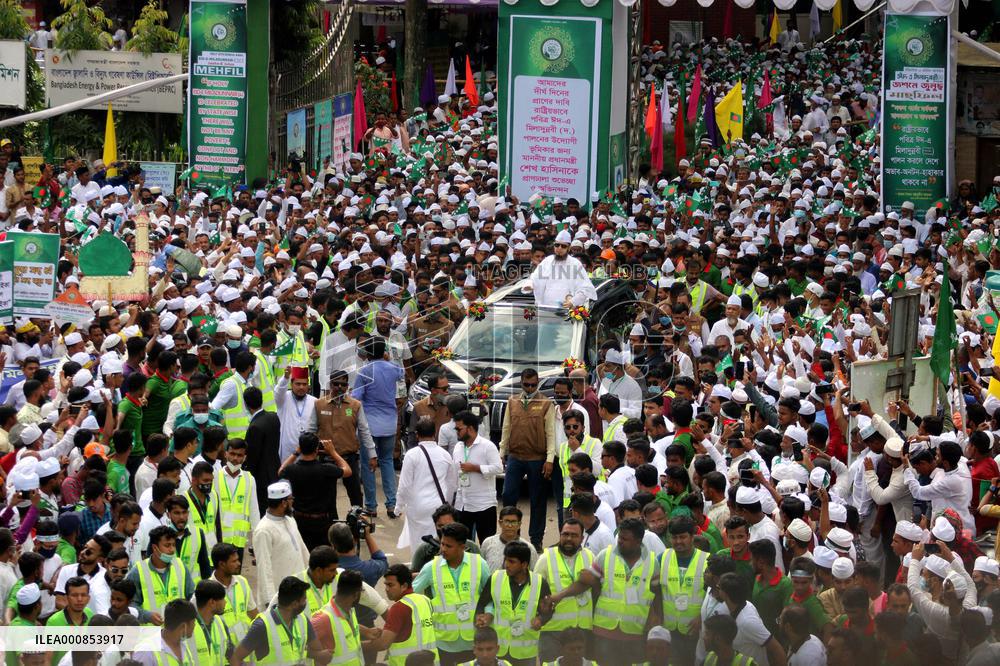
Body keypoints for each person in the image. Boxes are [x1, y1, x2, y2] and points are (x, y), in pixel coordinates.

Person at [546, 518, 659, 665]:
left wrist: (657, 619)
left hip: (635, 633)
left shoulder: (652, 562)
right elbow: (584, 583)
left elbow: (657, 594)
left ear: (638, 541)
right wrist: (559, 596)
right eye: (619, 537)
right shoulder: (605, 555)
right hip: (604, 633)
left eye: (625, 539)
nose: (620, 541)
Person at [412, 522, 491, 666]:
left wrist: (488, 614)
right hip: (443, 644)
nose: (442, 549)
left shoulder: (480, 564)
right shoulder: (431, 568)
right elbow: (411, 595)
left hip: (473, 642)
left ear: (462, 547)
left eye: (448, 546)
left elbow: (491, 596)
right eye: (442, 544)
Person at [499, 368, 555, 551]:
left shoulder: (546, 403)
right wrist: (502, 452)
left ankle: (536, 539)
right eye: (526, 384)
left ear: (537, 383)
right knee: (508, 494)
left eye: (533, 385)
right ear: (521, 383)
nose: (530, 388)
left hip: (536, 458)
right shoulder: (512, 401)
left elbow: (550, 433)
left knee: (537, 499)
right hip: (515, 456)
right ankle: (511, 535)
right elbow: (506, 427)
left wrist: (549, 459)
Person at [474, 541, 552, 666]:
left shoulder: (540, 583)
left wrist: (541, 619)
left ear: (524, 564)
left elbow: (549, 611)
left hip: (525, 653)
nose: (506, 565)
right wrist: (480, 617)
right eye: (505, 560)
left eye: (511, 561)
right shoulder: (495, 578)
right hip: (499, 650)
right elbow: (481, 604)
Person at [353, 335, 404, 517]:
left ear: (367, 353)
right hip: (390, 423)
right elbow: (401, 374)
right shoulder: (393, 369)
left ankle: (371, 506)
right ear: (384, 352)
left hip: (369, 425)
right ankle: (391, 504)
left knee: (368, 465)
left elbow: (356, 398)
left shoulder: (364, 372)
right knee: (387, 461)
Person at [279, 431, 351, 551]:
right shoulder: (326, 469)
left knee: (303, 553)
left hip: (300, 519)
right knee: (323, 556)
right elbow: (347, 470)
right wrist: (333, 452)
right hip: (322, 522)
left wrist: (296, 453)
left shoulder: (293, 469)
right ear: (317, 449)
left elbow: (281, 470)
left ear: (301, 448)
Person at [315, 369, 374, 516]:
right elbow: (311, 429)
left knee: (355, 494)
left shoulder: (355, 405)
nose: (340, 387)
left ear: (347, 386)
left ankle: (357, 523)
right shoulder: (319, 404)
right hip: (326, 458)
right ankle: (332, 526)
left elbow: (364, 431)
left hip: (349, 457)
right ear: (330, 385)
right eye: (336, 384)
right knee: (328, 496)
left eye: (343, 384)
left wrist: (372, 454)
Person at [534, 518, 593, 662]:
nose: (568, 539)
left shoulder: (590, 556)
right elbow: (534, 593)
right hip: (553, 631)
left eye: (574, 535)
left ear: (582, 538)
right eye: (565, 534)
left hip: (582, 630)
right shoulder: (546, 558)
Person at [232, 576, 327, 664]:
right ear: (294, 604)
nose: (306, 602)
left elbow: (318, 652)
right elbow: (236, 657)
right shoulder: (262, 626)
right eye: (304, 599)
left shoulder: (303, 620)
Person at [397, 415, 457, 549]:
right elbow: (452, 484)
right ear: (434, 433)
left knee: (418, 544)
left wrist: (398, 506)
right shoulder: (445, 455)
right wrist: (446, 503)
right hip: (438, 506)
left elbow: (404, 486)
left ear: (417, 435)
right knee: (438, 543)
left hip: (417, 506)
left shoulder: (411, 455)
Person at [364, 563, 440, 664]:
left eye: (390, 585)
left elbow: (383, 644)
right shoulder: (425, 600)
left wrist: (358, 646)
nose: (386, 589)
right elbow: (413, 629)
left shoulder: (399, 608)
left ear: (404, 586)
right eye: (385, 584)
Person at [251, 480, 309, 606]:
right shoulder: (263, 530)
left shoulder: (290, 519)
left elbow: (302, 549)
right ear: (283, 503)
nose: (292, 502)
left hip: (299, 592)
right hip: (281, 599)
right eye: (290, 499)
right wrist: (270, 601)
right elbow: (264, 568)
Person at [661, 515, 710, 665]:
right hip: (669, 630)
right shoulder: (662, 557)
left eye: (682, 537)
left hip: (694, 632)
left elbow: (715, 597)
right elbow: (655, 591)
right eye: (674, 537)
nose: (678, 542)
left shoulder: (707, 561)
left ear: (692, 536)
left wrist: (701, 619)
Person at [212, 437, 258, 562]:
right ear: (226, 454)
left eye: (239, 455)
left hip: (238, 541)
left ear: (245, 457)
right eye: (232, 454)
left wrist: (257, 543)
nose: (235, 458)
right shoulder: (215, 477)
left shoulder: (249, 479)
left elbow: (254, 511)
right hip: (219, 539)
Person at [243, 386, 282, 515]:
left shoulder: (255, 426)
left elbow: (253, 458)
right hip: (275, 471)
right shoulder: (273, 417)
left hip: (261, 479)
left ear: (246, 404)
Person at [210, 542, 258, 644]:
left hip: (246, 647)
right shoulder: (208, 589)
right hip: (224, 651)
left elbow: (253, 612)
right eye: (234, 561)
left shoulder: (242, 581)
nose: (239, 564)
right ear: (222, 564)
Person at [132, 598, 198, 666]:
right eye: (193, 622)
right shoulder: (145, 651)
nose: (195, 625)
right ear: (183, 626)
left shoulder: (183, 645)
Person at [480, 507, 539, 572]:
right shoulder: (488, 543)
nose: (510, 526)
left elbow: (534, 573)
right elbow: (482, 568)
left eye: (513, 522)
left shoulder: (529, 548)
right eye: (507, 522)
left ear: (519, 525)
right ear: (500, 523)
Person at [191, 579, 232, 665]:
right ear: (212, 602)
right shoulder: (185, 626)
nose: (225, 602)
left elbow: (230, 653)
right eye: (222, 599)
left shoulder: (220, 623)